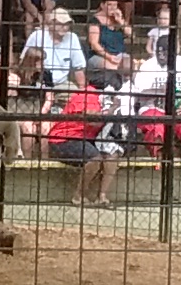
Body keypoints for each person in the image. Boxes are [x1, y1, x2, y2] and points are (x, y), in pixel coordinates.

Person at [47, 68, 124, 206]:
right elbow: (92, 120)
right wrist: (112, 109)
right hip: (63, 140)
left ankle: (102, 196)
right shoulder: (89, 95)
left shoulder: (101, 98)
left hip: (84, 139)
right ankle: (78, 196)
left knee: (112, 154)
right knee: (95, 158)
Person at [23, 7, 88, 89]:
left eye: (67, 24)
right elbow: (25, 61)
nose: (65, 27)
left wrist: (83, 90)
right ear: (51, 24)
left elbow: (78, 67)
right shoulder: (37, 35)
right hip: (38, 82)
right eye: (60, 24)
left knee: (75, 93)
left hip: (62, 83)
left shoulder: (72, 37)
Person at [85, 0, 131, 65]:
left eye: (115, 5)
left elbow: (130, 34)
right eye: (109, 4)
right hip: (100, 55)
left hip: (120, 54)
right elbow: (94, 44)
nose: (113, 8)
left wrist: (120, 21)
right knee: (113, 67)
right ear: (102, 5)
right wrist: (109, 57)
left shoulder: (117, 19)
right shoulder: (94, 21)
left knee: (130, 65)